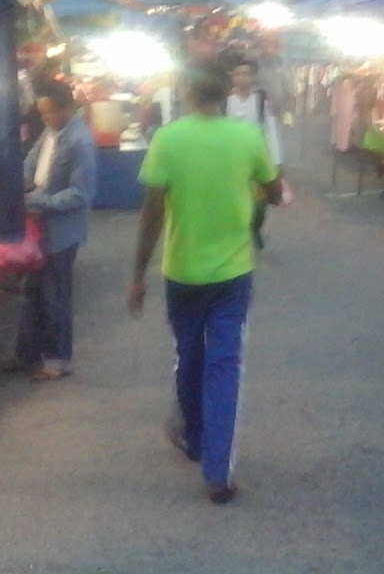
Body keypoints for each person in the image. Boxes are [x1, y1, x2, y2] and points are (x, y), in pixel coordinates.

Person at [129, 62, 284, 504]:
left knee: (189, 355)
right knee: (224, 366)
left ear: (187, 96)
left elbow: (151, 212)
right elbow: (275, 191)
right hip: (232, 274)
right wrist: (258, 186)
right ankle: (218, 471)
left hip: (180, 272)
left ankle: (195, 439)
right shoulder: (246, 137)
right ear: (224, 96)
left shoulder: (168, 139)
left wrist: (137, 275)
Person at [2, 79, 96, 382]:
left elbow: (81, 193)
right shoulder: (51, 132)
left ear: (66, 109)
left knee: (56, 296)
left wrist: (40, 200)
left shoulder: (80, 141)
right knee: (34, 294)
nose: (44, 118)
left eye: (49, 113)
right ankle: (27, 354)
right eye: (41, 113)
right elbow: (32, 164)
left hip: (61, 231)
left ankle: (57, 359)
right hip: (41, 225)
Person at [225, 57, 285, 249]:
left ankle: (255, 227)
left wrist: (276, 161)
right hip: (233, 160)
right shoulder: (226, 102)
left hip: (257, 159)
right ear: (232, 77)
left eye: (247, 74)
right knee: (236, 198)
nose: (243, 78)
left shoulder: (260, 101)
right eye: (239, 74)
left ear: (253, 77)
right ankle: (239, 232)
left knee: (261, 203)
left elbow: (270, 130)